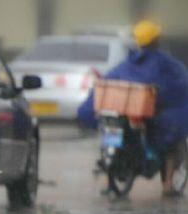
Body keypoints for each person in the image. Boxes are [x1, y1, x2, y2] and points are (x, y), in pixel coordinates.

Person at [78, 19, 188, 195]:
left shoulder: (130, 62)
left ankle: (109, 183)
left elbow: (111, 79)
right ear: (156, 40)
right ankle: (168, 185)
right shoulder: (166, 64)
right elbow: (177, 87)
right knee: (172, 140)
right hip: (150, 112)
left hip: (129, 111)